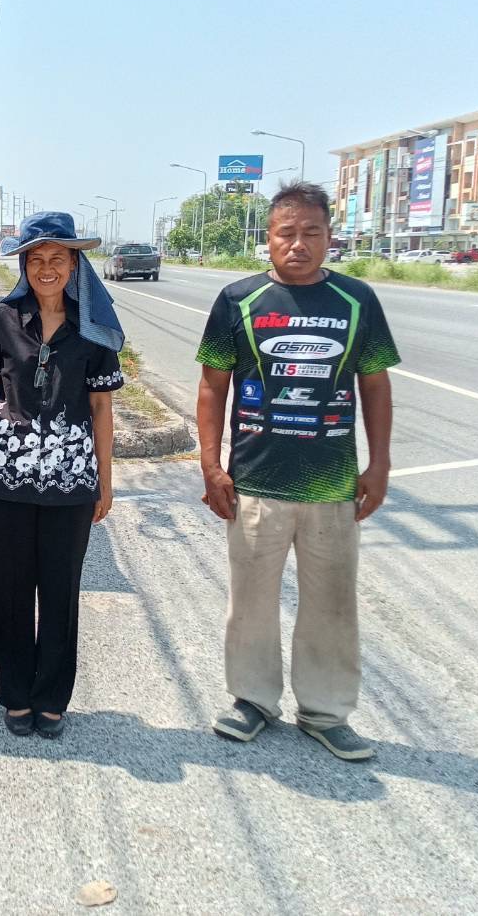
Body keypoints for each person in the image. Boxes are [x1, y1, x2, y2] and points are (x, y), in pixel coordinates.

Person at [195, 180, 399, 761]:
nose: (298, 244)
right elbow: (212, 387)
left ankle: (326, 711)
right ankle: (253, 700)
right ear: (268, 238)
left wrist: (379, 464)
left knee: (332, 603)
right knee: (250, 602)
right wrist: (211, 465)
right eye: (287, 233)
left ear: (330, 237)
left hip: (332, 485)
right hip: (255, 482)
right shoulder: (239, 300)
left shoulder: (357, 300)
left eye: (312, 232)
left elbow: (376, 386)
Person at [0, 211, 124, 739]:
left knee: (60, 592)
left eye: (58, 258)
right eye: (36, 259)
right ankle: (16, 694)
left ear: (75, 265)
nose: (47, 268)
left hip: (72, 483)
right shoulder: (1, 319)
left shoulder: (93, 329)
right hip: (6, 483)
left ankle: (52, 697)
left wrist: (105, 481)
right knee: (11, 590)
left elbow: (101, 409)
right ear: (24, 265)